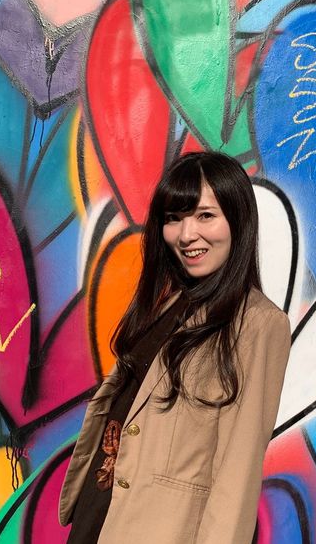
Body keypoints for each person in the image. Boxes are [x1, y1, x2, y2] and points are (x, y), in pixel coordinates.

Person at [59, 152, 291, 543]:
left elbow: (237, 476)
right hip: (98, 521)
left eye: (205, 216)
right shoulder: (170, 304)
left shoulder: (258, 324)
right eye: (174, 218)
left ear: (238, 220)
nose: (186, 235)